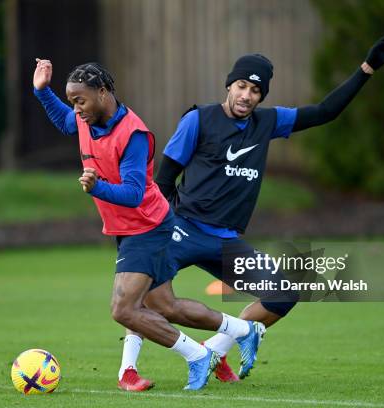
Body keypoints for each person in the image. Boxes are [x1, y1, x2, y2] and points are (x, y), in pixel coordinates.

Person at [122, 34, 384, 383]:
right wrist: (151, 231)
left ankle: (214, 352)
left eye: (255, 91)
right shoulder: (198, 121)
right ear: (229, 85)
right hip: (182, 228)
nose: (246, 95)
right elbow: (163, 181)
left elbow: (325, 112)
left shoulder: (268, 122)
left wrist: (367, 68)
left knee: (283, 294)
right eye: (241, 86)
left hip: (226, 241)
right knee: (143, 295)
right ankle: (128, 371)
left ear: (262, 96)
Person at [33, 59, 263, 391]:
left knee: (123, 309)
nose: (76, 109)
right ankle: (243, 330)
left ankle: (197, 356)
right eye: (73, 101)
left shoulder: (133, 134)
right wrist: (42, 91)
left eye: (80, 100)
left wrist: (96, 186)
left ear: (102, 92)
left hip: (147, 226)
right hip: (127, 229)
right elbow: (66, 122)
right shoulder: (86, 118)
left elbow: (133, 193)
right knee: (165, 306)